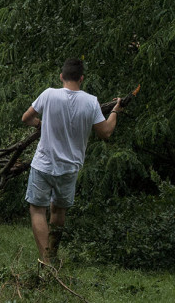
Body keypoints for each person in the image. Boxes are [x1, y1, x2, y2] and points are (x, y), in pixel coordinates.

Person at [21, 58, 123, 266]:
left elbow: (26, 118)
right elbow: (106, 132)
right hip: (69, 168)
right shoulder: (91, 101)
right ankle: (53, 255)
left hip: (43, 164)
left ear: (61, 76)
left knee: (37, 209)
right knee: (58, 211)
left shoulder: (48, 94)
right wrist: (114, 111)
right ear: (81, 78)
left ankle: (45, 261)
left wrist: (40, 123)